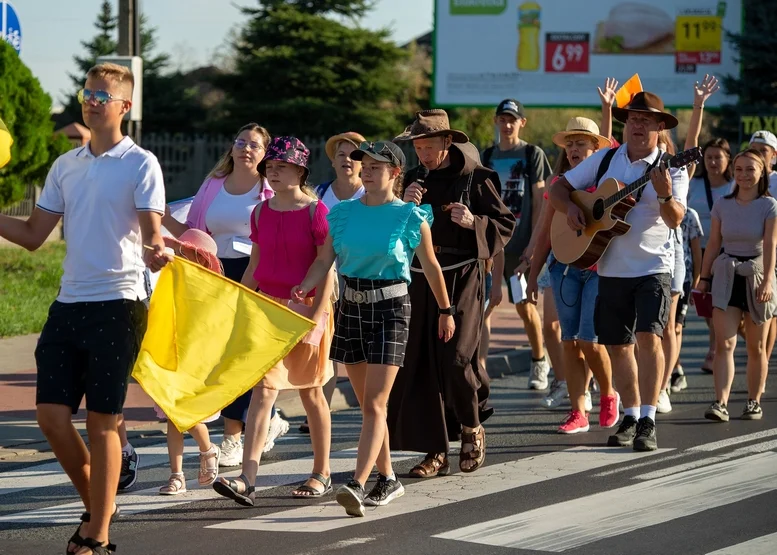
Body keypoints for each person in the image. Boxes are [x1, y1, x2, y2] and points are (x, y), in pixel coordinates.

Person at [0, 63, 170, 555]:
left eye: (103, 94)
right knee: (51, 418)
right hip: (68, 302)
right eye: (87, 93)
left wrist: (158, 246)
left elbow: (151, 229)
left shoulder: (140, 163)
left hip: (118, 303)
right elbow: (33, 235)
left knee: (101, 422)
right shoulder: (66, 165)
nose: (92, 101)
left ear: (124, 106)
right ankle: (101, 506)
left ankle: (97, 532)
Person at [294, 140, 454, 517]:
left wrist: (446, 310)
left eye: (376, 166)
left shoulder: (411, 217)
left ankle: (356, 482)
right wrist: (306, 284)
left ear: (395, 173)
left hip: (392, 307)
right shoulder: (344, 214)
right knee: (369, 407)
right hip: (351, 307)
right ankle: (388, 478)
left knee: (377, 404)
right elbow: (325, 259)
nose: (365, 169)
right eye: (363, 163)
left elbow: (430, 267)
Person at [550, 92, 689, 452]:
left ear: (660, 127)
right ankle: (629, 414)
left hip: (653, 267)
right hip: (610, 268)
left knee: (649, 339)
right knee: (617, 345)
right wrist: (570, 209)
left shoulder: (673, 167)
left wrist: (663, 196)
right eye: (632, 119)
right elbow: (559, 187)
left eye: (646, 120)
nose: (637, 125)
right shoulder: (606, 158)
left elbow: (676, 220)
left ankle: (648, 418)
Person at [389, 109, 515, 476]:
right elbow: (393, 233)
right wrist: (403, 204)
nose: (424, 154)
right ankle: (434, 450)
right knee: (424, 362)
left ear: (447, 142)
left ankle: (472, 426)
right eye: (418, 147)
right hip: (420, 278)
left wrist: (474, 222)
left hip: (463, 276)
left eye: (429, 146)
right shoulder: (412, 179)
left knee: (457, 358)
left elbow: (505, 223)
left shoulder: (475, 178)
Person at [213, 137, 335, 505]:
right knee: (263, 390)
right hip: (267, 310)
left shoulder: (317, 212)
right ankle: (247, 478)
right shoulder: (260, 212)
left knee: (312, 394)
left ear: (300, 171)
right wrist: (238, 305)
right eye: (271, 165)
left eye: (282, 165)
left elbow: (325, 266)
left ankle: (322, 472)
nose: (273, 170)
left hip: (308, 310)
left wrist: (316, 317)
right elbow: (254, 267)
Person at [162, 123, 290, 464]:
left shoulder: (269, 189)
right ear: (232, 149)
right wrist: (158, 216)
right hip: (216, 274)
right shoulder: (212, 185)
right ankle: (253, 425)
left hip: (257, 274)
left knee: (249, 355)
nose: (246, 149)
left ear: (265, 155)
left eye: (254, 145)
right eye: (241, 142)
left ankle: (244, 428)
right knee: (223, 356)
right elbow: (192, 233)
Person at [526, 117, 619, 434]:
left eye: (582, 143)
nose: (574, 149)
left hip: (598, 270)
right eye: (570, 144)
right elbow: (544, 235)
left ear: (596, 148)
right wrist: (532, 273)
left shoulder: (609, 181)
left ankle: (608, 393)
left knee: (589, 341)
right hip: (562, 268)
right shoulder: (559, 183)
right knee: (569, 342)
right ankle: (578, 411)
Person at [297, 131, 367, 435]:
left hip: (362, 286)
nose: (347, 160)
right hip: (325, 285)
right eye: (341, 154)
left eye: (354, 155)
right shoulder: (319, 194)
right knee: (324, 349)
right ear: (333, 160)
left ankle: (372, 414)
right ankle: (318, 414)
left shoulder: (371, 196)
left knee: (358, 353)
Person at [699, 149, 777, 422]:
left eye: (750, 169)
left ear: (761, 173)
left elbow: (770, 245)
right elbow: (713, 243)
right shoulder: (722, 204)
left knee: (756, 347)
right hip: (726, 274)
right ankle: (720, 403)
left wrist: (768, 280)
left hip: (757, 275)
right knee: (725, 343)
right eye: (739, 169)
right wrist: (704, 277)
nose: (744, 174)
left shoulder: (769, 205)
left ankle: (753, 401)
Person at [482, 99, 552, 390]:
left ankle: (539, 362)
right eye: (502, 119)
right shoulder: (487, 156)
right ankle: (480, 371)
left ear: (522, 122)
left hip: (521, 246)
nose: (507, 124)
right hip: (492, 245)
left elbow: (540, 202)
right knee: (484, 306)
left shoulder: (532, 154)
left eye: (512, 119)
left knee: (525, 307)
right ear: (496, 122)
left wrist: (533, 246)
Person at [155, 229, 224, 495]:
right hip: (169, 352)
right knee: (173, 416)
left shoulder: (211, 283)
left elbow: (206, 260)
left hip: (196, 357)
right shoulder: (170, 277)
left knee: (184, 414)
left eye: (189, 253)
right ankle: (177, 475)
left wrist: (177, 245)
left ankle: (208, 450)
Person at [682, 75, 724, 375]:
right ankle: (676, 369)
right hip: (695, 255)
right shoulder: (693, 183)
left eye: (716, 158)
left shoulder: (735, 186)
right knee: (704, 311)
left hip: (726, 254)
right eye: (707, 157)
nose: (710, 162)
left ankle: (716, 349)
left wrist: (699, 104)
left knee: (719, 311)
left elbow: (691, 144)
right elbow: (690, 147)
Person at [670, 205, 703, 392]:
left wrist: (696, 282)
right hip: (659, 276)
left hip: (684, 278)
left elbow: (696, 251)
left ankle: (674, 372)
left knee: (676, 328)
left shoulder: (690, 214)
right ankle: (674, 370)